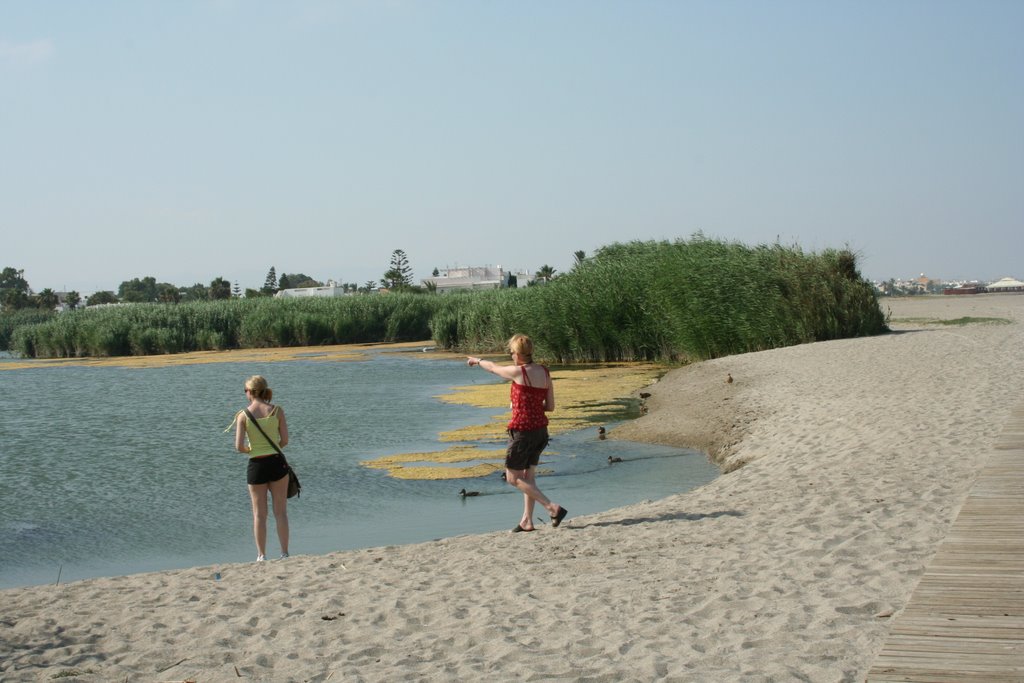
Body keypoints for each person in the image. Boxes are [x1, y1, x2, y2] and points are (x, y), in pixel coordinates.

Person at [468, 334, 568, 532]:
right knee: (528, 478)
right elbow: (550, 406)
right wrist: (527, 404)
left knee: (513, 478)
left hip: (523, 431)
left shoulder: (519, 372)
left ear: (519, 354)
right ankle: (527, 521)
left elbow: (493, 368)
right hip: (540, 430)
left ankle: (552, 507)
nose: (511, 355)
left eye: (512, 352)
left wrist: (477, 360)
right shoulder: (545, 372)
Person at [233, 375, 290, 561]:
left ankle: (261, 555)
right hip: (276, 462)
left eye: (245, 391)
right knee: (280, 512)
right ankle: (284, 553)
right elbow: (285, 441)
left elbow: (239, 447)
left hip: (256, 465)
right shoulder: (277, 411)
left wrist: (252, 449)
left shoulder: (243, 415)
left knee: (259, 514)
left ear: (249, 392)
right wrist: (271, 447)